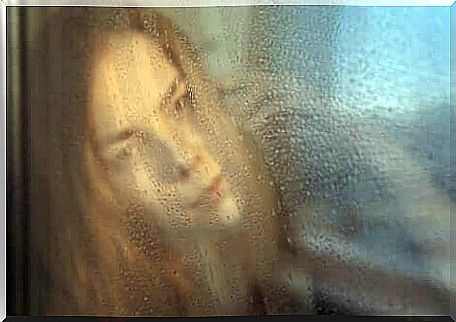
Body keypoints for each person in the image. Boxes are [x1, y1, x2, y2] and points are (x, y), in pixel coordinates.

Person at [29, 7, 452, 317]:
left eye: (178, 105)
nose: (184, 158)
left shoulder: (274, 223)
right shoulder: (120, 301)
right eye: (129, 149)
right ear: (91, 192)